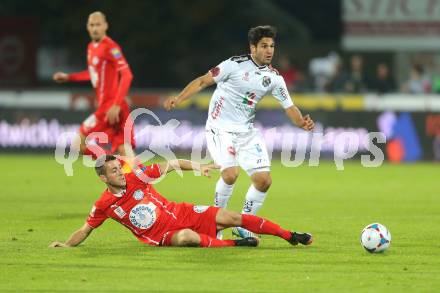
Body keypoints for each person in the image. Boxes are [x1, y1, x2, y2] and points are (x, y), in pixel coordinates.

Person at [163, 25, 314, 239]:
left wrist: (301, 122)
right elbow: (202, 81)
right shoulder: (233, 65)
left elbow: (289, 106)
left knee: (264, 180)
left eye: (272, 46)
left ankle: (243, 224)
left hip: (246, 131)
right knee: (230, 174)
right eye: (264, 46)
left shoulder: (274, 77)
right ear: (252, 47)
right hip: (220, 128)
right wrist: (178, 98)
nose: (269, 50)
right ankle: (215, 223)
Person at [49, 155, 313, 248]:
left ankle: (289, 235)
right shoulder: (104, 205)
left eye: (119, 167)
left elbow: (173, 164)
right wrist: (66, 244)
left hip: (182, 212)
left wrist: (200, 166)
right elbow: (85, 229)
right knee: (187, 238)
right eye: (114, 171)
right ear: (103, 178)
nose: (120, 172)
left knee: (231, 217)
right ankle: (236, 243)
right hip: (163, 235)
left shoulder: (138, 177)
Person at [53, 11, 135, 160]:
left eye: (98, 24)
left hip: (111, 107)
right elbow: (92, 73)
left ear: (105, 26)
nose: (95, 28)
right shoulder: (91, 47)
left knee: (78, 143)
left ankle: (112, 162)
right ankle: (137, 178)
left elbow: (127, 75)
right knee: (124, 150)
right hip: (108, 106)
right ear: (87, 27)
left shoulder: (111, 47)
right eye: (92, 25)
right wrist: (69, 77)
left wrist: (115, 105)